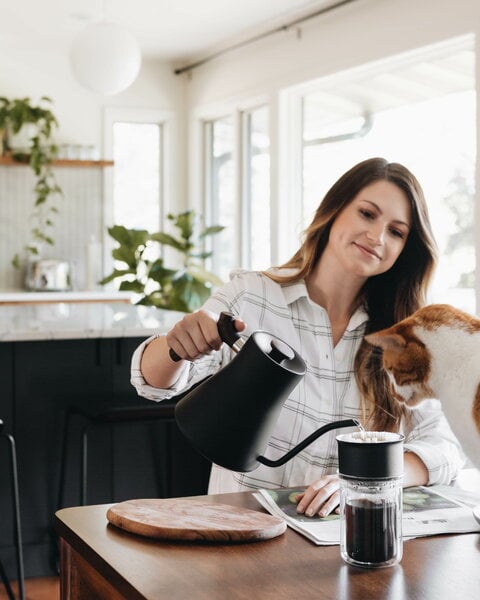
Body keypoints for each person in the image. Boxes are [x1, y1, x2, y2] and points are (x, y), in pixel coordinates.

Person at [131, 157, 464, 518]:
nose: (377, 237)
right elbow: (151, 383)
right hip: (243, 532)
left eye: (397, 232)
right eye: (367, 214)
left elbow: (446, 445)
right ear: (334, 210)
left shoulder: (403, 339)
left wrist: (371, 475)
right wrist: (176, 346)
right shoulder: (253, 296)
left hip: (347, 542)